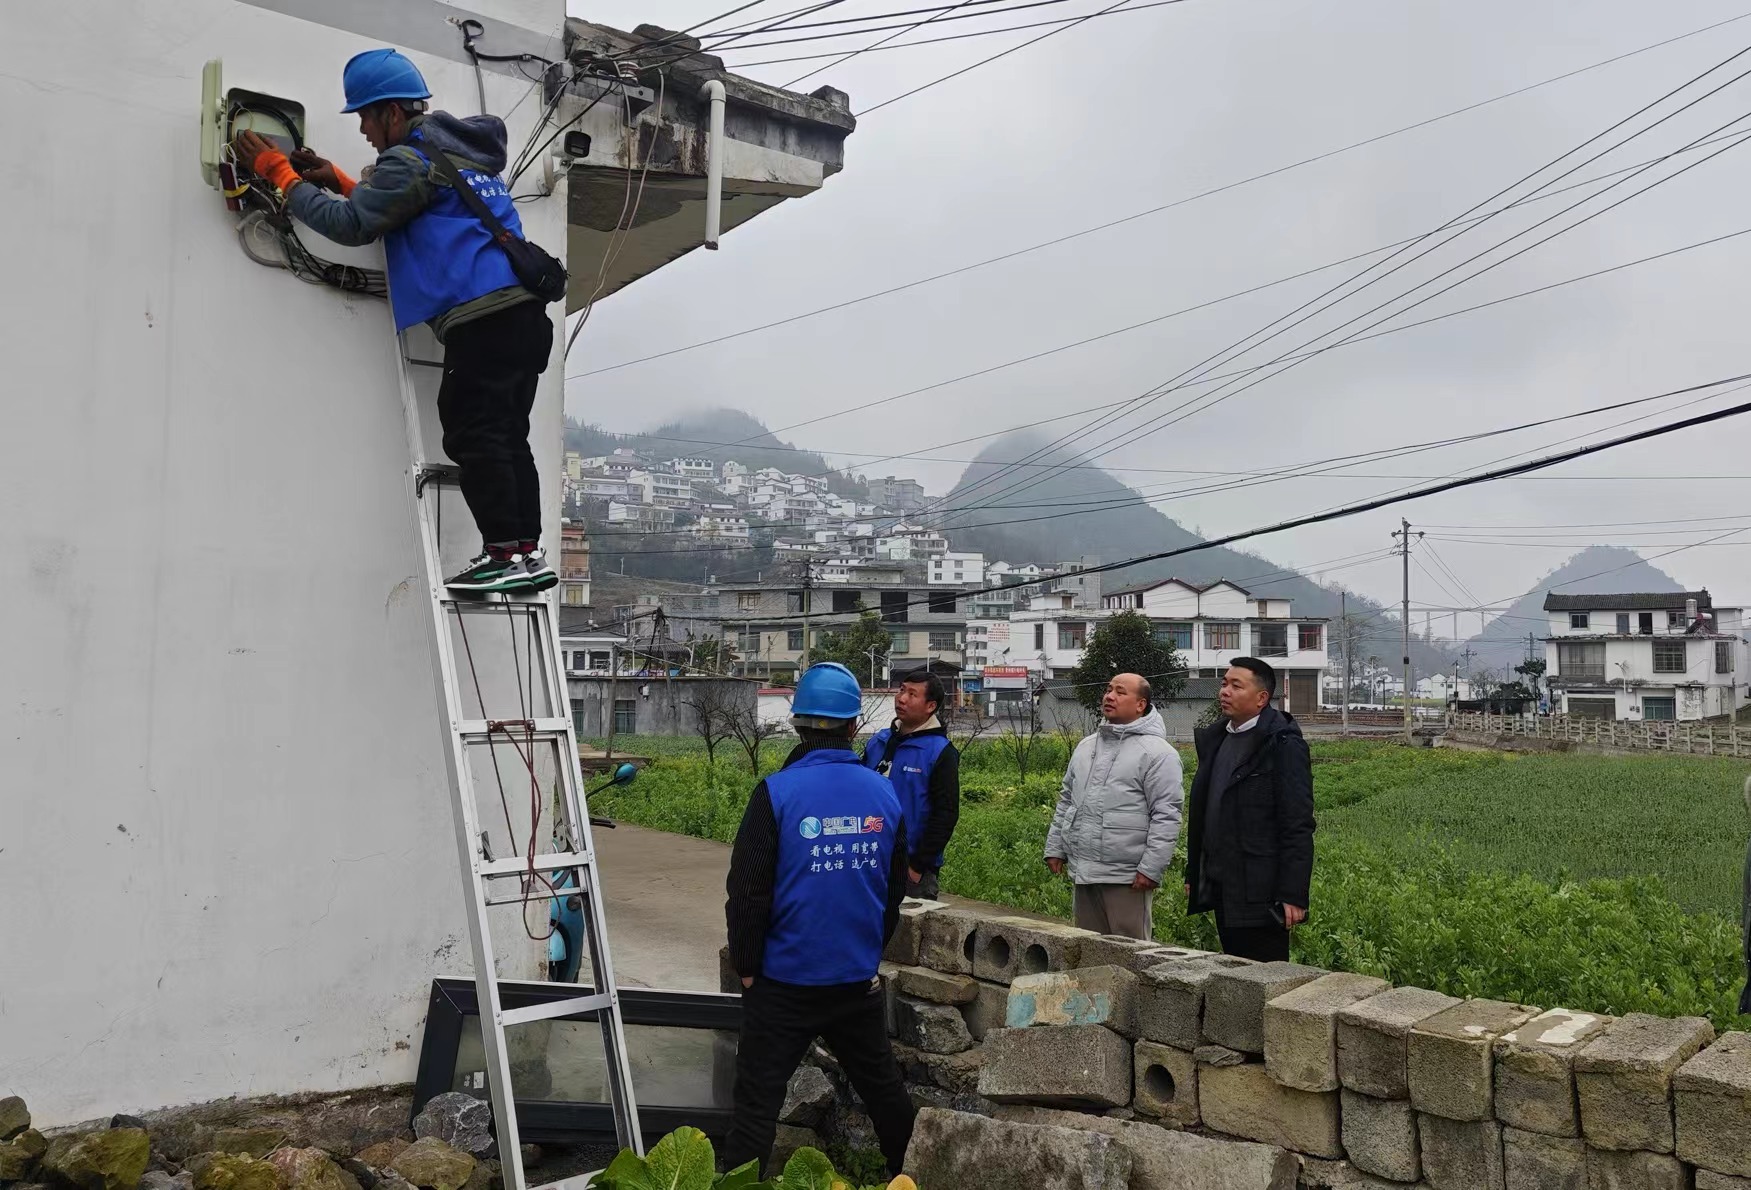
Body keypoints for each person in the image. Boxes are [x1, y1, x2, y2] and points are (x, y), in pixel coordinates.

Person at [229, 48, 555, 594]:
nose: (362, 130)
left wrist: (280, 173)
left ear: (392, 113)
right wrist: (334, 176)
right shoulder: (452, 154)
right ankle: (525, 552)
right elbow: (405, 206)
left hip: (484, 319)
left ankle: (502, 553)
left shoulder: (410, 158)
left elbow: (355, 226)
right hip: (522, 318)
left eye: (364, 116)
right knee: (505, 434)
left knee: (473, 430)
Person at [722, 662, 916, 1178]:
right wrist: (868, 951)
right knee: (884, 1092)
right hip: (854, 981)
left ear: (796, 723)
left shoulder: (777, 793)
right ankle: (911, 1176)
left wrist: (746, 964)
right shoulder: (883, 794)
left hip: (783, 981)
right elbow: (893, 891)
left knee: (756, 1106)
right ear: (854, 726)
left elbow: (747, 892)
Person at [1184, 657, 1316, 963]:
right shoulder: (1217, 740)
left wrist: (1293, 894)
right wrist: (1196, 872)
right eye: (1224, 683)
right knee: (1232, 969)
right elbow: (1205, 814)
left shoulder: (1282, 745)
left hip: (1261, 887)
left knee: (1263, 975)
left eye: (1235, 685)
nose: (1225, 691)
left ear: (1261, 698)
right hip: (1222, 883)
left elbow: (1297, 823)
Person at [1043, 673, 1183, 940]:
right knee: (1087, 947)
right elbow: (1067, 800)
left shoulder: (1158, 753)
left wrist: (1150, 868)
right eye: (1108, 690)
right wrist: (1055, 848)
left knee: (1129, 953)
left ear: (1141, 704)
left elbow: (1167, 814)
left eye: (1120, 692)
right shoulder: (1086, 746)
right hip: (1085, 870)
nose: (1109, 696)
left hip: (1127, 875)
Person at [863, 669, 961, 900]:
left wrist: (916, 868)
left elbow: (945, 814)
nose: (901, 698)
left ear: (930, 706)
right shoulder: (879, 741)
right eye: (901, 690)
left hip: (910, 869)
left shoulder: (940, 752)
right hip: (866, 857)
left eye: (912, 694)